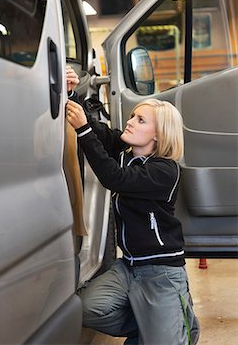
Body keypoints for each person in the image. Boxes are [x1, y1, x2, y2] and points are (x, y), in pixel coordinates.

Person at [66, 96, 200, 345]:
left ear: (159, 134)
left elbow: (114, 178)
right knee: (85, 309)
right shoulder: (127, 153)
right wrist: (73, 96)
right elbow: (103, 135)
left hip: (161, 272)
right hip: (128, 266)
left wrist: (83, 131)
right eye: (132, 117)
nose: (130, 123)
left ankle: (175, 324)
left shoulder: (165, 171)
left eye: (140, 120)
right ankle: (153, 323)